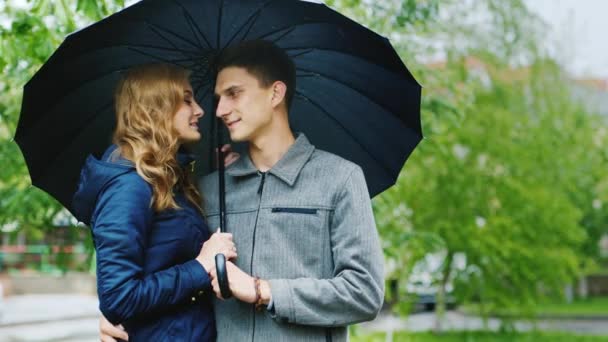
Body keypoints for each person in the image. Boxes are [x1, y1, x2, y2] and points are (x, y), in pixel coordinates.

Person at [101, 40, 385, 342]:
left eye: (234, 93)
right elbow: (158, 277)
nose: (220, 110)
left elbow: (364, 292)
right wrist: (120, 321)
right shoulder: (206, 189)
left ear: (275, 93)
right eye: (218, 98)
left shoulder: (339, 179)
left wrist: (263, 290)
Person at [72, 63, 237, 342]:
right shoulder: (129, 187)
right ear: (154, 109)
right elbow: (118, 298)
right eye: (186, 100)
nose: (199, 110)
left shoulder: (167, 180)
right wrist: (200, 265)